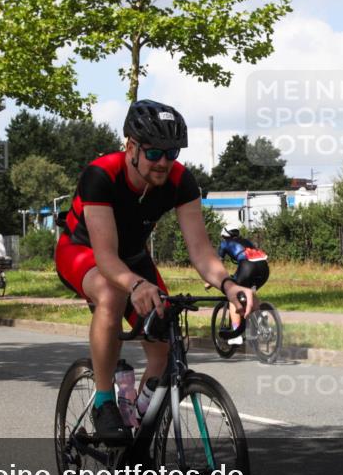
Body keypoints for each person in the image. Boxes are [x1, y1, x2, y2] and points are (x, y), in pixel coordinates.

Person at [55, 99, 257, 443]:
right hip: (82, 252)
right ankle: (104, 402)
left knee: (163, 344)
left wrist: (227, 285)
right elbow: (105, 257)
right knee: (111, 292)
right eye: (154, 153)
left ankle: (137, 424)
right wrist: (135, 284)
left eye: (172, 152)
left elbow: (200, 250)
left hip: (132, 258)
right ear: (131, 147)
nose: (164, 162)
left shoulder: (180, 180)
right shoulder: (101, 175)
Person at [218, 227, 269, 344]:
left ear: (224, 236)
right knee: (249, 292)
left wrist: (209, 282)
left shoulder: (224, 244)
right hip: (264, 268)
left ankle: (236, 335)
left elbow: (218, 265)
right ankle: (260, 315)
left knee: (232, 295)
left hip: (248, 268)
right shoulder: (247, 241)